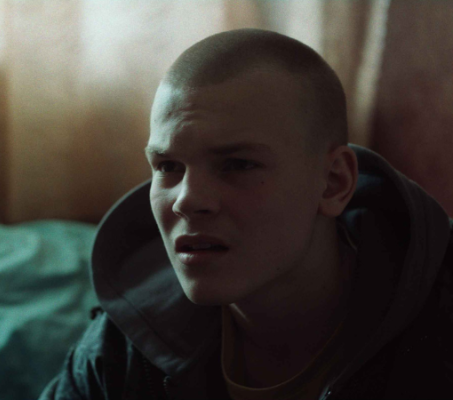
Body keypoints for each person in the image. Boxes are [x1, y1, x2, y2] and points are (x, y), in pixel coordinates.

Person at [39, 29, 453, 400]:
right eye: (168, 166)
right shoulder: (127, 344)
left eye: (237, 164)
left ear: (333, 183)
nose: (187, 200)